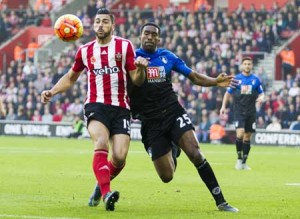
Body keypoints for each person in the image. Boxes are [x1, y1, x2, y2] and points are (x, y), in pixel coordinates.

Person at [89, 22, 239, 212]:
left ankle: (221, 201)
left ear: (158, 38)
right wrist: (139, 70)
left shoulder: (167, 57)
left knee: (196, 153)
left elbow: (193, 76)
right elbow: (127, 88)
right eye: (146, 33)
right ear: (140, 36)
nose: (150, 37)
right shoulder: (130, 57)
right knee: (167, 176)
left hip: (173, 112)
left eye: (154, 34)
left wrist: (215, 82)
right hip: (150, 122)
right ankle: (102, 183)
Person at [41, 8, 146, 211]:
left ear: (112, 26)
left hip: (121, 107)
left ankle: (100, 185)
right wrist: (52, 91)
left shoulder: (125, 47)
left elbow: (137, 80)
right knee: (100, 141)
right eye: (97, 21)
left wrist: (141, 69)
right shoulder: (85, 50)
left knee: (120, 156)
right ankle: (107, 194)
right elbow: (71, 77)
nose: (100, 25)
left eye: (105, 21)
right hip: (95, 105)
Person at [220, 56, 265, 171]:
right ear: (242, 66)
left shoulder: (256, 80)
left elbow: (261, 93)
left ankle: (244, 162)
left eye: (249, 64)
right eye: (245, 64)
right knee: (240, 134)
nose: (247, 66)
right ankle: (239, 159)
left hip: (251, 112)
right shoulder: (236, 79)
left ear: (251, 66)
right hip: (239, 111)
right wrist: (223, 106)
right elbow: (227, 94)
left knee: (247, 137)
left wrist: (261, 98)